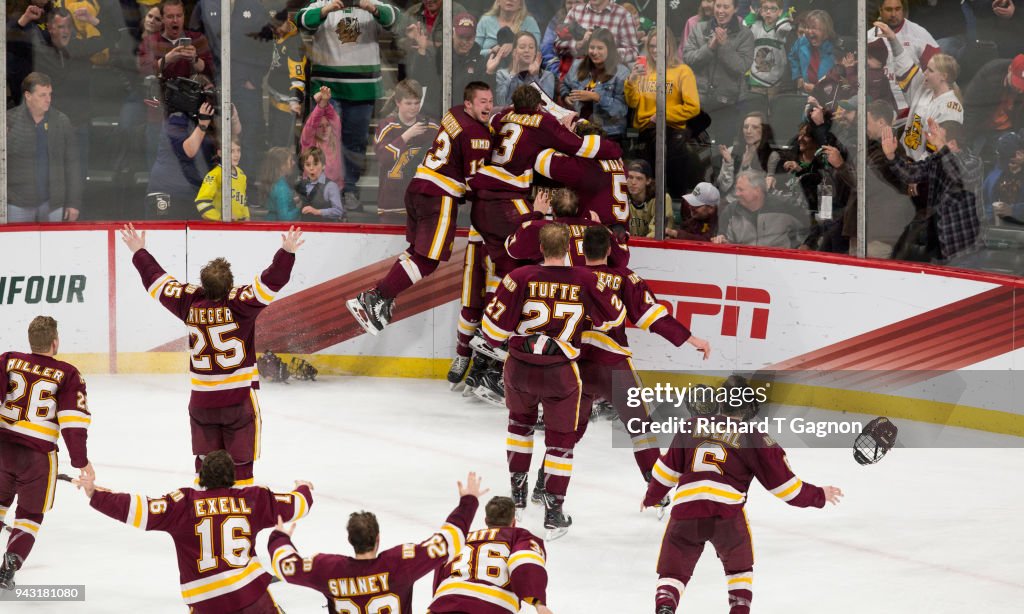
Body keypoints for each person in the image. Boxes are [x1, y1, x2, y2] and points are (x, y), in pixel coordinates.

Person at [121, 224, 303, 484]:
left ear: (203, 285)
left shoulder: (189, 302)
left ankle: (204, 515)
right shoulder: (241, 302)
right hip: (237, 402)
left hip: (201, 404)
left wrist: (139, 251)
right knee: (240, 472)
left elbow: (156, 281)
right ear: (230, 285)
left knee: (206, 472)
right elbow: (273, 279)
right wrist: (287, 251)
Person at [481, 223, 625, 538]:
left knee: (519, 425)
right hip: (561, 372)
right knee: (561, 442)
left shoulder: (518, 277)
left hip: (519, 367)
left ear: (540, 248)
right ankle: (553, 512)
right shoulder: (587, 279)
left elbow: (491, 334)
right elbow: (614, 318)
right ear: (570, 248)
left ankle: (517, 495)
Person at [642, 392, 843, 614]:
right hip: (727, 515)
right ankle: (738, 609)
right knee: (739, 570)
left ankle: (666, 604)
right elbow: (784, 487)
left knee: (673, 571)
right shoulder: (752, 435)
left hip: (686, 510)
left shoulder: (690, 426)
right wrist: (818, 495)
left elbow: (664, 472)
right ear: (749, 412)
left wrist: (651, 497)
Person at [75, 450, 313, 614]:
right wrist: (303, 487)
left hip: (206, 605)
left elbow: (139, 509)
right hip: (251, 597)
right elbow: (298, 505)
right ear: (232, 478)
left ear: (201, 478)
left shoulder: (183, 504)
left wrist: (96, 494)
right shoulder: (253, 498)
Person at [347, 82, 494, 336]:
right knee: (427, 261)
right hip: (440, 196)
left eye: (491, 101)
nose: (489, 106)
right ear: (469, 103)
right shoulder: (476, 134)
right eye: (483, 101)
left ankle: (378, 296)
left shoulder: (454, 114)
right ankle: (374, 298)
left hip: (417, 190)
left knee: (416, 252)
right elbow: (474, 182)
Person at [571, 226, 709, 495]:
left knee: (568, 430)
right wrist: (691, 339)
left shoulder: (567, 278)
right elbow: (652, 317)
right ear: (610, 250)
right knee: (641, 428)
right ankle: (656, 492)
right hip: (613, 364)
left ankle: (545, 483)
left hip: (574, 365)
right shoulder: (624, 278)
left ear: (581, 250)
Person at [269, 472, 485, 612]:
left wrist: (280, 537)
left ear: (349, 539)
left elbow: (286, 567)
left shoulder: (329, 569)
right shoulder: (401, 563)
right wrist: (468, 501)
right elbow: (450, 540)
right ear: (378, 538)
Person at [0, 316, 93, 590]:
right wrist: (81, 461)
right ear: (55, 343)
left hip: (2, 449)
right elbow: (73, 421)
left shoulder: (8, 360)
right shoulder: (68, 373)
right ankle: (8, 569)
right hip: (38, 459)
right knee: (29, 514)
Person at [296, 0, 399, 213]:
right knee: (325, 141)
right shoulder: (324, 2)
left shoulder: (370, 2)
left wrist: (371, 8)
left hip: (362, 87)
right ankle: (322, 189)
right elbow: (301, 20)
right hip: (328, 86)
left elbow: (395, 17)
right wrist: (325, 10)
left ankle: (349, 189)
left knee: (356, 142)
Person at [428, 495, 553, 613]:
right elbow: (525, 562)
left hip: (445, 603)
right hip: (491, 605)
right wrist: (539, 604)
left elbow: (440, 570)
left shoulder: (459, 539)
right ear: (513, 523)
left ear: (486, 520)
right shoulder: (519, 536)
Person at [881, 119, 982, 263]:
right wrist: (891, 156)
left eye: (937, 137)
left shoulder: (973, 162)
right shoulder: (937, 159)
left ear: (952, 143)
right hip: (940, 243)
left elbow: (959, 176)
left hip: (965, 246)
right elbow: (911, 174)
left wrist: (941, 146)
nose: (932, 141)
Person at [625, 28, 703, 198]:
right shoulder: (644, 71)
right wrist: (631, 81)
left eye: (660, 45)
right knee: (646, 187)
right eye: (652, 46)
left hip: (672, 131)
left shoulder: (683, 71)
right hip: (645, 131)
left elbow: (693, 106)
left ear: (671, 46)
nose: (655, 50)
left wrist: (662, 115)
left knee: (673, 179)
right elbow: (632, 102)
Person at [880, 21, 963, 162]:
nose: (924, 73)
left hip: (923, 171)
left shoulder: (951, 109)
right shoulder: (924, 87)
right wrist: (893, 39)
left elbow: (936, 149)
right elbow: (904, 64)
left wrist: (916, 172)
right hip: (905, 159)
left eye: (930, 70)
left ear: (943, 76)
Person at [5, 72, 82, 222]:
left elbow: (72, 164)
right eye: (42, 95)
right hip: (17, 202)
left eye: (49, 94)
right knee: (20, 245)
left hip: (53, 202)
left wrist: (73, 202)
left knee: (54, 245)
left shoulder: (61, 122)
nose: (48, 99)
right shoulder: (8, 121)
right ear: (28, 96)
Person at [529, 122, 629, 229]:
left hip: (596, 235)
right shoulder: (619, 163)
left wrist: (563, 139)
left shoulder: (585, 166)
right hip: (621, 234)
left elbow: (538, 158)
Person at [683, 0, 755, 145]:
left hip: (727, 103)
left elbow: (741, 67)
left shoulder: (745, 34)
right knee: (696, 148)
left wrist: (724, 45)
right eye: (718, 6)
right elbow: (688, 59)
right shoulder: (699, 29)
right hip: (699, 100)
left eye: (726, 7)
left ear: (735, 9)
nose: (721, 10)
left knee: (723, 150)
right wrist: (709, 48)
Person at [374, 80, 440, 224]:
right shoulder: (387, 126)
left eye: (417, 103)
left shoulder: (432, 127)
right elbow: (383, 158)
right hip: (391, 205)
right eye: (408, 103)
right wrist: (406, 136)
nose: (414, 108)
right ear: (398, 103)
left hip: (422, 203)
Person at [866, 0, 939, 128]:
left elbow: (939, 71)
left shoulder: (919, 34)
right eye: (889, 9)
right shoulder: (868, 38)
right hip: (879, 110)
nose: (894, 14)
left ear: (903, 9)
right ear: (880, 10)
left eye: (897, 9)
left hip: (913, 107)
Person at [406, 12, 492, 118]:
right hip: (436, 118)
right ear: (453, 33)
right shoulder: (438, 55)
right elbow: (419, 80)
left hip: (465, 119)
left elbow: (484, 97)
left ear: (475, 36)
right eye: (461, 37)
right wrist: (421, 50)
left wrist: (489, 73)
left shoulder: (480, 61)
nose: (465, 42)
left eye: (469, 37)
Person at [560, 28, 630, 140]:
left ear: (610, 50)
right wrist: (565, 97)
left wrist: (596, 97)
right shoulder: (577, 66)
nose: (594, 52)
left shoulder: (622, 72)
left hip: (609, 133)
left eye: (600, 48)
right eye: (592, 47)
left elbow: (621, 110)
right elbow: (564, 85)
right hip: (578, 129)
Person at [713, 170, 806, 247]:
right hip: (744, 263)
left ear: (757, 190)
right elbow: (723, 239)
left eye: (741, 190)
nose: (737, 194)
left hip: (778, 264)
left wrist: (805, 246)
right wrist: (722, 241)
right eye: (736, 189)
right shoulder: (730, 211)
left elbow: (811, 229)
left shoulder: (785, 206)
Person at [265, 10, 308, 151]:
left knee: (281, 146)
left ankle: (282, 171)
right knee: (272, 140)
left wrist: (295, 100)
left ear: (287, 20)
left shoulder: (295, 44)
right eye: (273, 26)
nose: (275, 30)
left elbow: (298, 77)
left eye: (278, 26)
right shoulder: (275, 32)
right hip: (274, 95)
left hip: (286, 103)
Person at [137, 0, 214, 80]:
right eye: (170, 16)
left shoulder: (197, 39)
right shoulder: (150, 41)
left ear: (184, 16)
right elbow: (144, 71)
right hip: (160, 91)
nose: (175, 20)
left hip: (190, 90)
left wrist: (194, 59)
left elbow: (210, 70)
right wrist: (166, 59)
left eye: (179, 16)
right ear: (162, 19)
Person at [717, 111, 779, 201]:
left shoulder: (771, 156)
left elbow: (766, 191)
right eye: (746, 127)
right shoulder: (732, 151)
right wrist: (728, 163)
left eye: (755, 127)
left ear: (764, 131)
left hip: (753, 206)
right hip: (730, 203)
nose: (748, 131)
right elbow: (723, 187)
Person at [558, 0, 640, 64]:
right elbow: (558, 44)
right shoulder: (575, 11)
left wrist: (608, 53)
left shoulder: (623, 15)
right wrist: (578, 44)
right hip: (577, 76)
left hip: (607, 77)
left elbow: (633, 52)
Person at [492, 32, 556, 107]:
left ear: (536, 52)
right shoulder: (502, 74)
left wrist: (534, 77)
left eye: (531, 47)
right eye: (522, 47)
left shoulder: (547, 76)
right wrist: (513, 73)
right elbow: (502, 103)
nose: (527, 50)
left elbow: (545, 104)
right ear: (514, 52)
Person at [789, 9, 839, 96]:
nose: (809, 31)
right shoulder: (802, 42)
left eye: (814, 28)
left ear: (826, 31)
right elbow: (793, 57)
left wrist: (817, 89)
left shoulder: (836, 49)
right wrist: (798, 76)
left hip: (827, 96)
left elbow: (839, 78)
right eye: (807, 27)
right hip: (804, 94)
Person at [301, 86, 344, 187]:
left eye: (327, 125)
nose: (324, 129)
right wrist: (321, 105)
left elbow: (334, 119)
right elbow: (311, 124)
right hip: (312, 188)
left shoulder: (334, 138)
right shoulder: (309, 141)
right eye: (320, 126)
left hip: (334, 188)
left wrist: (325, 102)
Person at [746, 0, 792, 93]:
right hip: (756, 79)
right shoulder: (756, 26)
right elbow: (742, 30)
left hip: (775, 81)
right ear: (760, 10)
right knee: (756, 106)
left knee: (773, 106)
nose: (768, 12)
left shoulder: (781, 29)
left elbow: (784, 26)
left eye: (773, 9)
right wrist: (752, 15)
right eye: (765, 8)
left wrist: (784, 16)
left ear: (780, 11)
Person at [195, 142, 249, 221]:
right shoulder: (215, 175)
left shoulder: (241, 174)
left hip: (239, 226)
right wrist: (220, 217)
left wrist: (246, 217)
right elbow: (202, 202)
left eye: (238, 150)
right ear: (220, 153)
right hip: (219, 228)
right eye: (231, 151)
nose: (236, 155)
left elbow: (243, 200)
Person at [624, 160, 675, 237]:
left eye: (639, 178)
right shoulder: (621, 196)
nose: (633, 182)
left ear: (648, 181)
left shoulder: (661, 198)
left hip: (651, 248)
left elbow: (658, 233)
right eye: (630, 177)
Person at [477, 0, 543, 59]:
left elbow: (535, 50)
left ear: (520, 4)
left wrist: (513, 47)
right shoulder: (485, 20)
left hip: (519, 69)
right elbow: (473, 51)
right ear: (498, 2)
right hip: (486, 68)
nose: (510, 0)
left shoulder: (529, 22)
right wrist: (491, 51)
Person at [296, 146, 346, 222]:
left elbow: (338, 211)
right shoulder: (303, 184)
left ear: (323, 166)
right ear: (304, 167)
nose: (311, 168)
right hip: (305, 230)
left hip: (324, 230)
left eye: (315, 164)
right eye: (308, 165)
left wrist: (317, 211)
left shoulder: (330, 186)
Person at [260, 146, 300, 221]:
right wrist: (300, 209)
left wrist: (293, 200)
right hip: (278, 228)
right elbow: (285, 217)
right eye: (291, 160)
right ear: (282, 165)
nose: (294, 163)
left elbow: (278, 203)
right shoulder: (281, 188)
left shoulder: (275, 182)